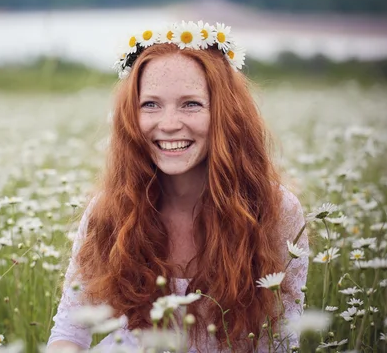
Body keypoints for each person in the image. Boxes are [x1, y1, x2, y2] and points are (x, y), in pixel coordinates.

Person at [47, 21, 309, 352]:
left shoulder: (275, 210)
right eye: (151, 104)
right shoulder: (111, 208)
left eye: (191, 104)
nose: (169, 124)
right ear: (132, 115)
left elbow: (281, 341)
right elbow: (70, 329)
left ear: (225, 114)